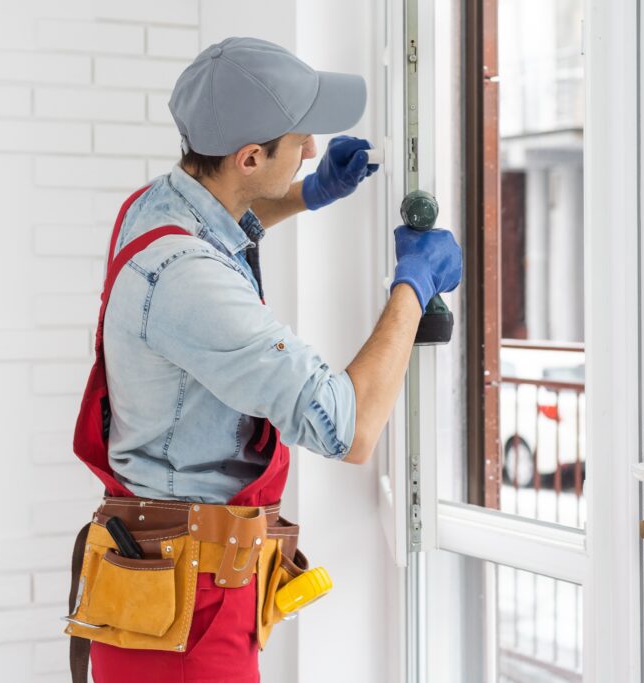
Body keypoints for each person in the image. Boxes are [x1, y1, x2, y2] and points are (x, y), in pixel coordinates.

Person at [64, 36, 462, 683]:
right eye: (298, 139)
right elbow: (350, 425)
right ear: (248, 156)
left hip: (166, 595)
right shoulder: (189, 282)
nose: (311, 147)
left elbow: (222, 221)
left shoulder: (156, 206)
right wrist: (413, 285)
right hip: (186, 629)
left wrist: (311, 191)